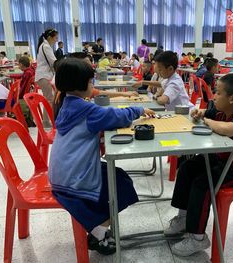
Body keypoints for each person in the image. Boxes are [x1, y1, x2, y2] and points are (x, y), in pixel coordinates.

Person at [48, 57, 155, 255]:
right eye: (90, 82)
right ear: (80, 85)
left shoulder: (67, 104)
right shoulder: (86, 110)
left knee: (118, 175)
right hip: (75, 178)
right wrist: (139, 110)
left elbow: (105, 118)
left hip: (61, 173)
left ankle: (98, 227)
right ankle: (98, 231)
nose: (93, 85)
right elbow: (117, 117)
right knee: (121, 186)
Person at [165, 74, 233, 257]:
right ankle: (183, 217)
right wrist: (201, 113)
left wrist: (207, 121)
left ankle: (197, 238)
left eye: (218, 93)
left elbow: (225, 129)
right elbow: (206, 112)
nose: (213, 97)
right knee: (187, 167)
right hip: (224, 158)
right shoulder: (220, 110)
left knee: (203, 185)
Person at [53, 53, 138, 119]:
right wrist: (138, 111)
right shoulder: (84, 108)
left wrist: (124, 94)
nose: (91, 65)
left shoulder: (67, 98)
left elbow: (98, 93)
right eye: (90, 82)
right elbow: (112, 116)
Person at [35, 28, 58, 127]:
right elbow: (53, 61)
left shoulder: (44, 46)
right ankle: (47, 122)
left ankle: (46, 121)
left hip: (43, 75)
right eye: (55, 38)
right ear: (49, 37)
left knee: (49, 99)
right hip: (43, 75)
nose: (56, 40)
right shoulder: (46, 46)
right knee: (50, 99)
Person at [18, 56, 36, 126]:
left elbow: (22, 88)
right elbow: (21, 77)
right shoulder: (30, 71)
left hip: (24, 96)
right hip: (29, 94)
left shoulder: (27, 73)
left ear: (21, 64)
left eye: (18, 64)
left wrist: (17, 96)